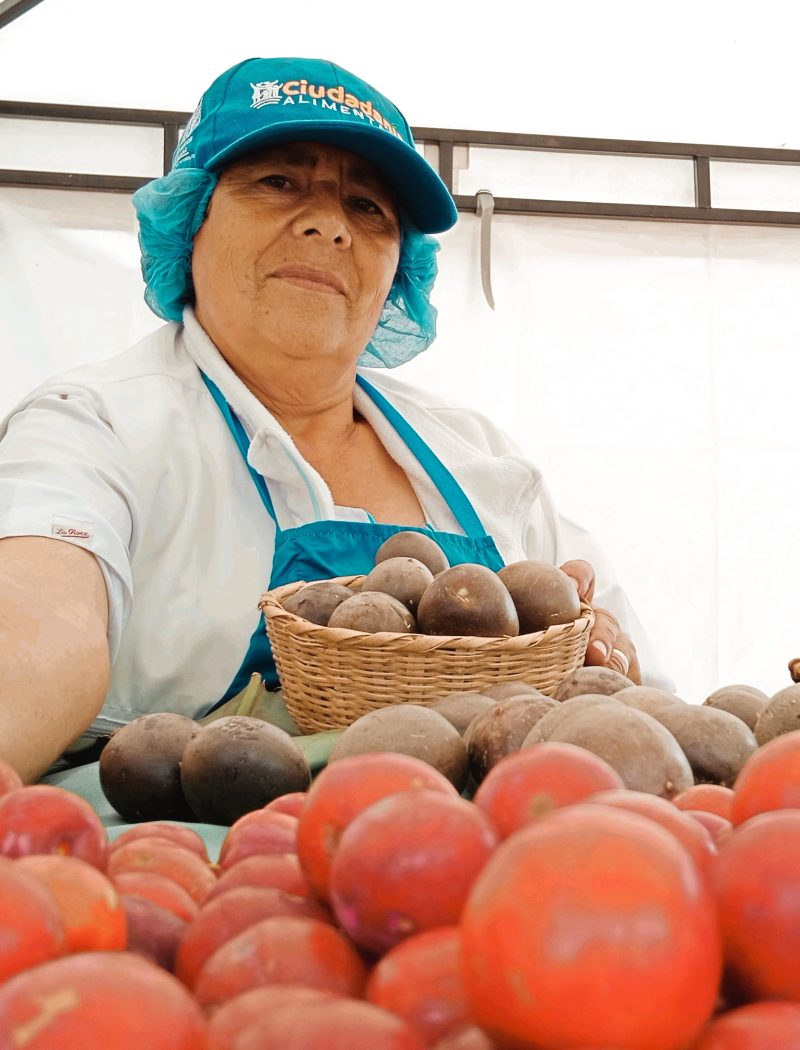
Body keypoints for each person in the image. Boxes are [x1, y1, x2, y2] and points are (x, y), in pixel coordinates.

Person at [0, 56, 660, 785]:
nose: (329, 225)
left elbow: (650, 695)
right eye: (280, 182)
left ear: (399, 270)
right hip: (196, 878)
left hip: (480, 874)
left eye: (369, 207)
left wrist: (593, 663)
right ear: (192, 219)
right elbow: (36, 622)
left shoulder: (481, 458)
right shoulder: (95, 425)